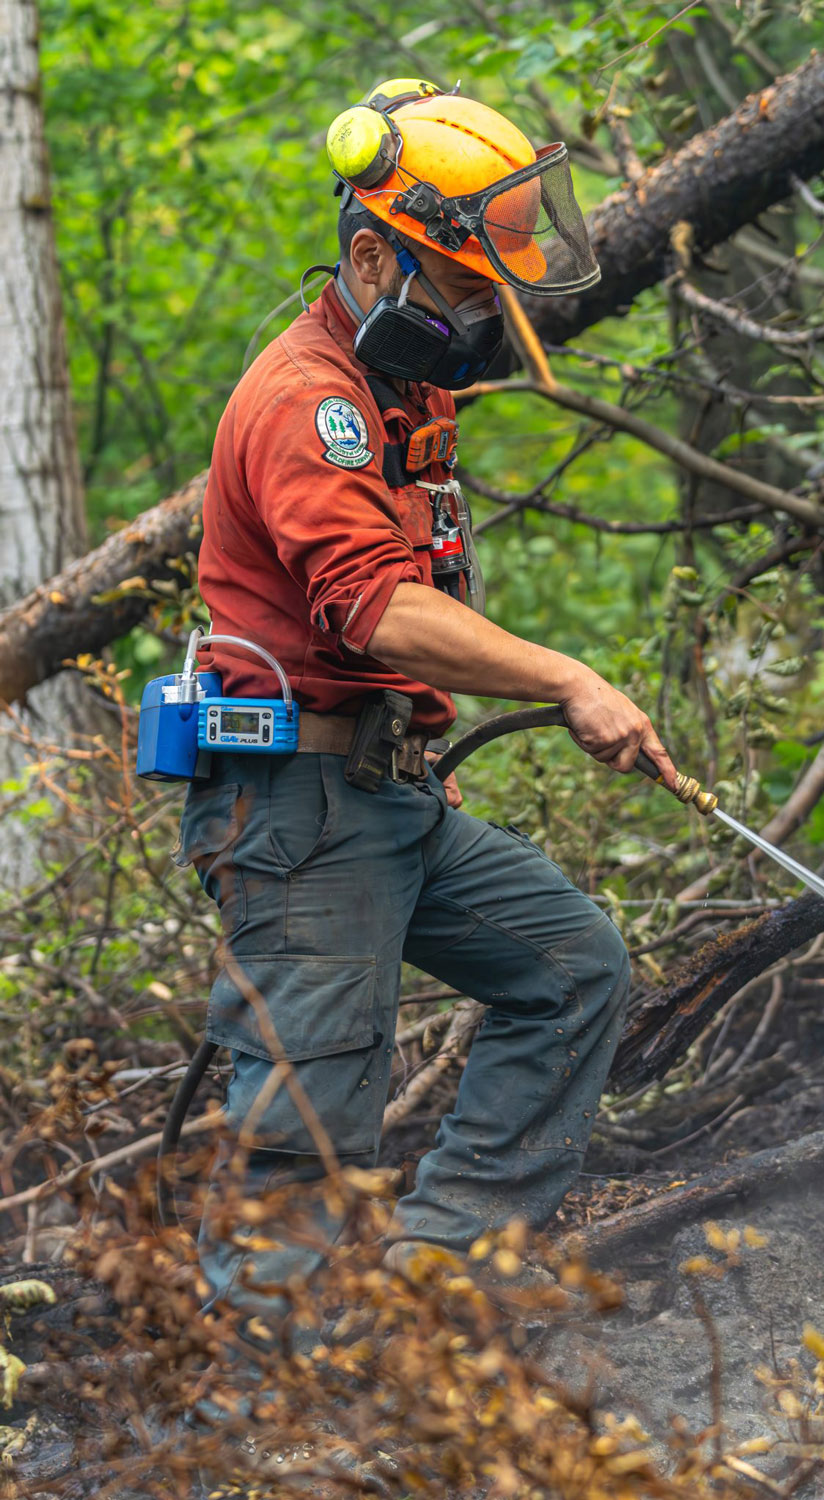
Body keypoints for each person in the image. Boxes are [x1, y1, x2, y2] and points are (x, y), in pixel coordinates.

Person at [178, 77, 677, 1477]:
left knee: (571, 967)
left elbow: (405, 620)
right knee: (303, 1135)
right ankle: (261, 1438)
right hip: (298, 813)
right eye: (457, 284)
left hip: (386, 794)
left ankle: (433, 1293)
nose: (472, 318)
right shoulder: (307, 403)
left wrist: (422, 744)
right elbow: (373, 606)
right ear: (372, 256)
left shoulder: (402, 391)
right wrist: (570, 676)